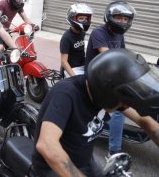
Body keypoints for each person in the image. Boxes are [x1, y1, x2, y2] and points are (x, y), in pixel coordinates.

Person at [32, 48, 159, 177]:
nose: (125, 106)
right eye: (122, 102)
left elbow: (147, 123)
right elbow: (47, 145)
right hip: (50, 168)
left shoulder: (106, 94)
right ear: (107, 93)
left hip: (84, 161)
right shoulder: (66, 94)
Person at [84, 0, 136, 158]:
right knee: (121, 108)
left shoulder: (119, 34)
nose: (122, 21)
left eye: (125, 19)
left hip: (112, 77)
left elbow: (123, 54)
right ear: (110, 16)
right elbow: (109, 58)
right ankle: (114, 152)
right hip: (97, 79)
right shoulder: (99, 33)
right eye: (119, 18)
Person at [59, 3, 93, 77]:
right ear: (72, 18)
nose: (84, 21)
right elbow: (63, 61)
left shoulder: (82, 32)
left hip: (82, 65)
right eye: (81, 18)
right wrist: (74, 77)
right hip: (72, 68)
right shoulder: (67, 37)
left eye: (86, 19)